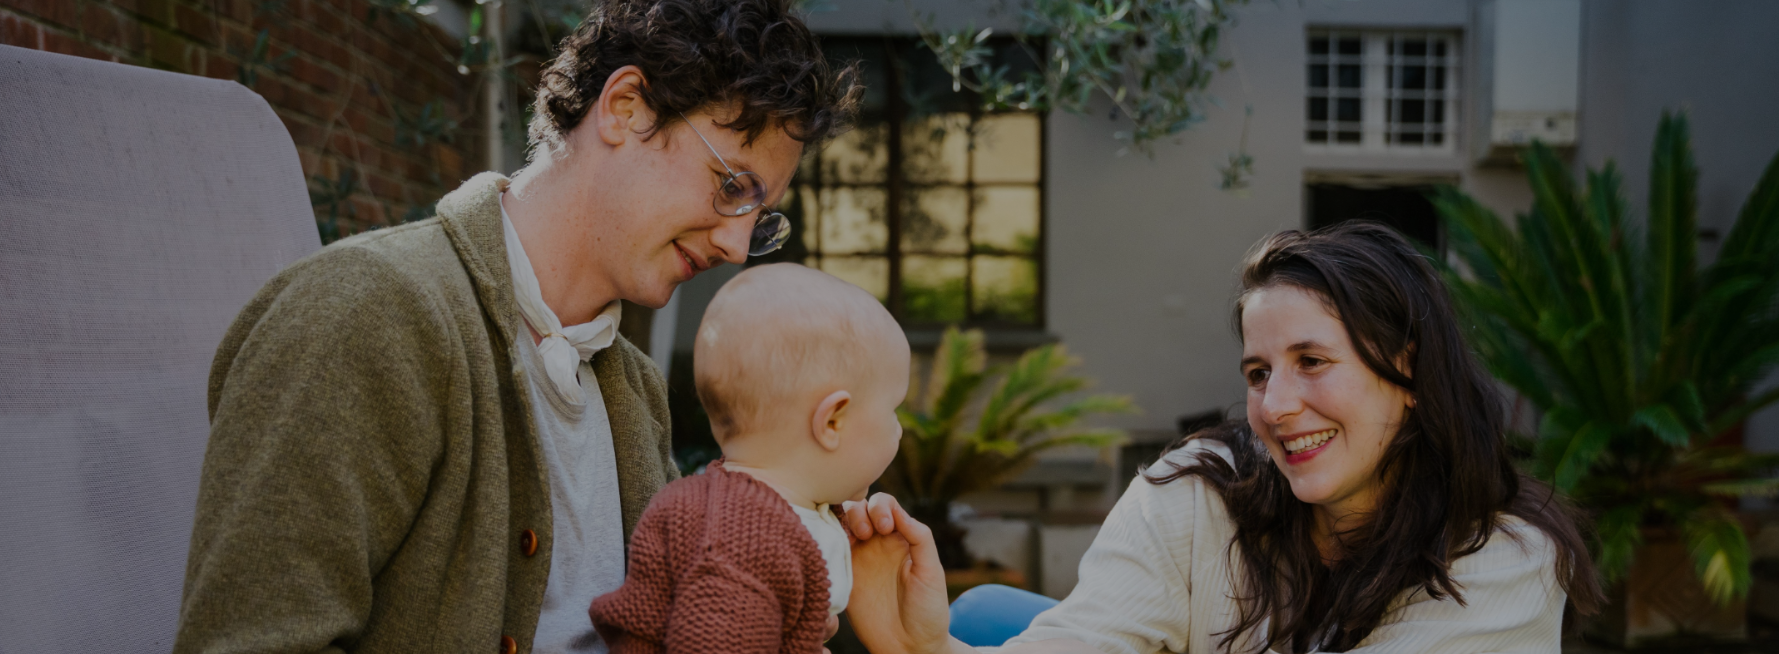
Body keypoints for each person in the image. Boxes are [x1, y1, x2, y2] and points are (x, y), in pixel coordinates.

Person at [171, 1, 859, 652]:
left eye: (759, 218)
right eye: (732, 186)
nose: (736, 247)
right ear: (626, 108)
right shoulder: (365, 316)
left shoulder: (634, 392)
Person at [843, 221, 1605, 654]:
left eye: (1312, 362)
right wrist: (926, 649)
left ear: (1405, 371)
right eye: (1257, 372)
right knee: (980, 617)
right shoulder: (1198, 491)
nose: (1276, 405)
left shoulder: (1501, 560)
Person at [588, 263, 909, 653]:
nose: (899, 429)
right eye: (892, 410)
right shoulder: (740, 543)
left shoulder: (761, 508)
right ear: (832, 421)